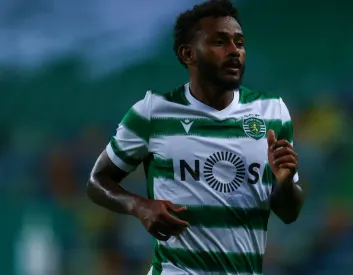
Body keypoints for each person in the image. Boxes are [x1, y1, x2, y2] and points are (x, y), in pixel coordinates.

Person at [86, 1, 304, 274]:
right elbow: (97, 181)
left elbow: (289, 213)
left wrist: (284, 184)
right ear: (189, 54)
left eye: (239, 42)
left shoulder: (273, 112)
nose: (234, 51)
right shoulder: (153, 113)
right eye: (220, 42)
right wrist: (140, 206)